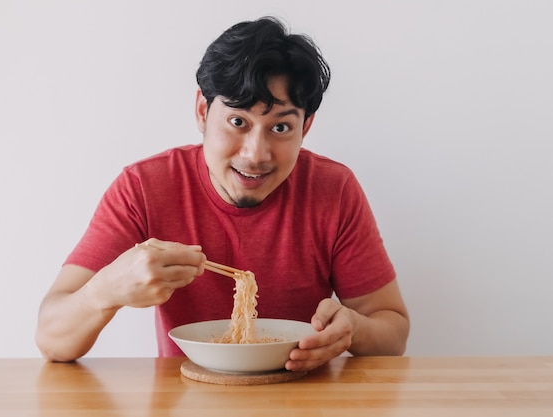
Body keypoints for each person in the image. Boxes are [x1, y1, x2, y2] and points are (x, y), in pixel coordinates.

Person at [35, 16, 409, 371]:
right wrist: (106, 290)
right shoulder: (144, 188)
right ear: (202, 110)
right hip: (186, 398)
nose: (256, 155)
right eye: (237, 122)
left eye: (280, 128)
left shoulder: (333, 190)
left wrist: (354, 330)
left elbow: (392, 332)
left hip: (304, 396)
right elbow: (52, 340)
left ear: (305, 127)